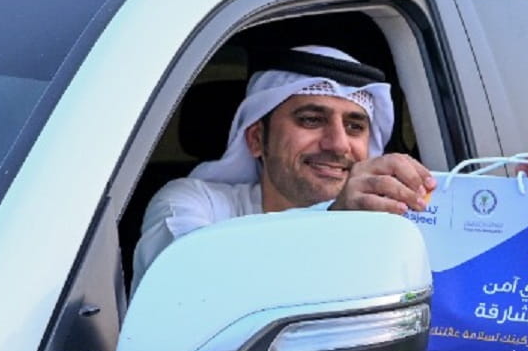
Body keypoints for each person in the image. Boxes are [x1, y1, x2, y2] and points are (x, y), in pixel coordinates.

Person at [132, 44, 435, 281]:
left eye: (355, 127)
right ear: (255, 139)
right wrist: (330, 224)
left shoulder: (393, 228)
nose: (338, 144)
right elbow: (193, 290)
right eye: (311, 120)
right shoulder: (195, 203)